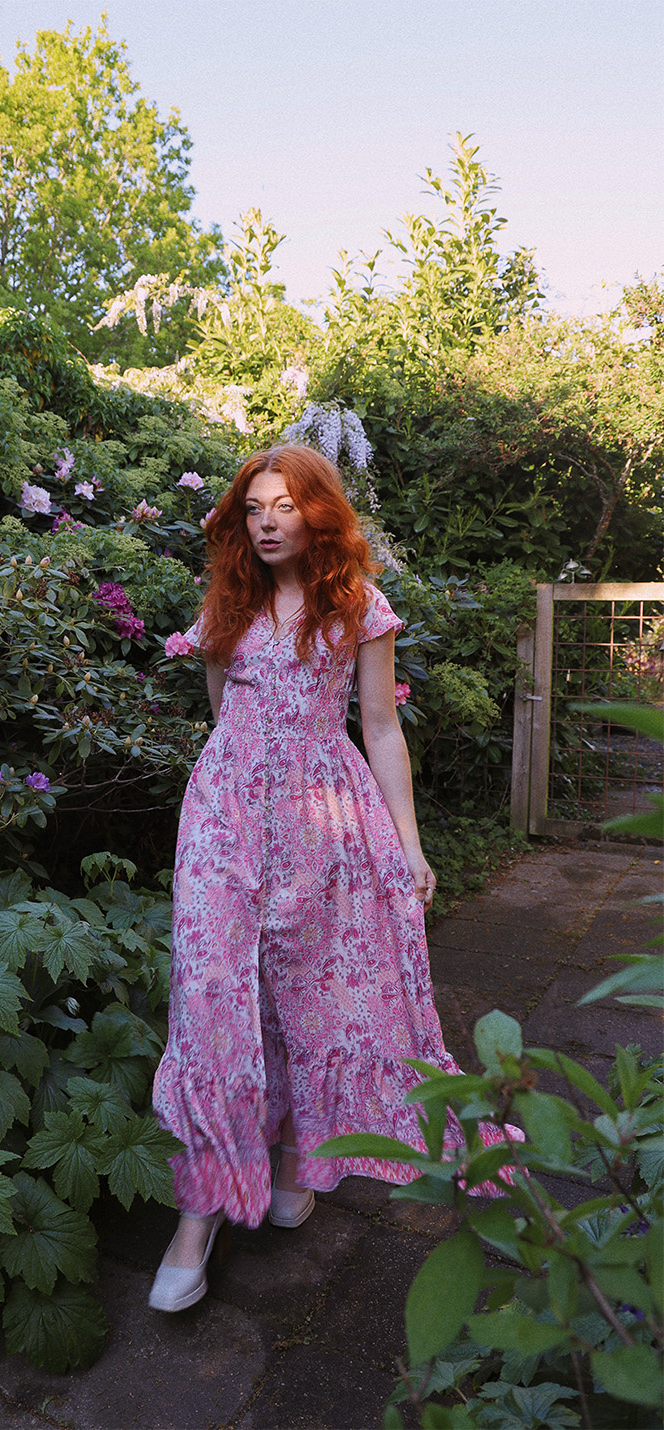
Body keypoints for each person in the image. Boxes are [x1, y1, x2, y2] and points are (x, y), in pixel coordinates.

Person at [149, 444, 512, 1315]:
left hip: (324, 820)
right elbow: (222, 713)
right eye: (253, 508)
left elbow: (380, 728)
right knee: (213, 997)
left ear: (318, 514)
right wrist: (246, 777)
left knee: (303, 993)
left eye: (284, 506)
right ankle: (200, 1215)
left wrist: (409, 846)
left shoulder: (357, 607)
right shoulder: (227, 603)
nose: (266, 522)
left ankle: (292, 1163)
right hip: (227, 817)